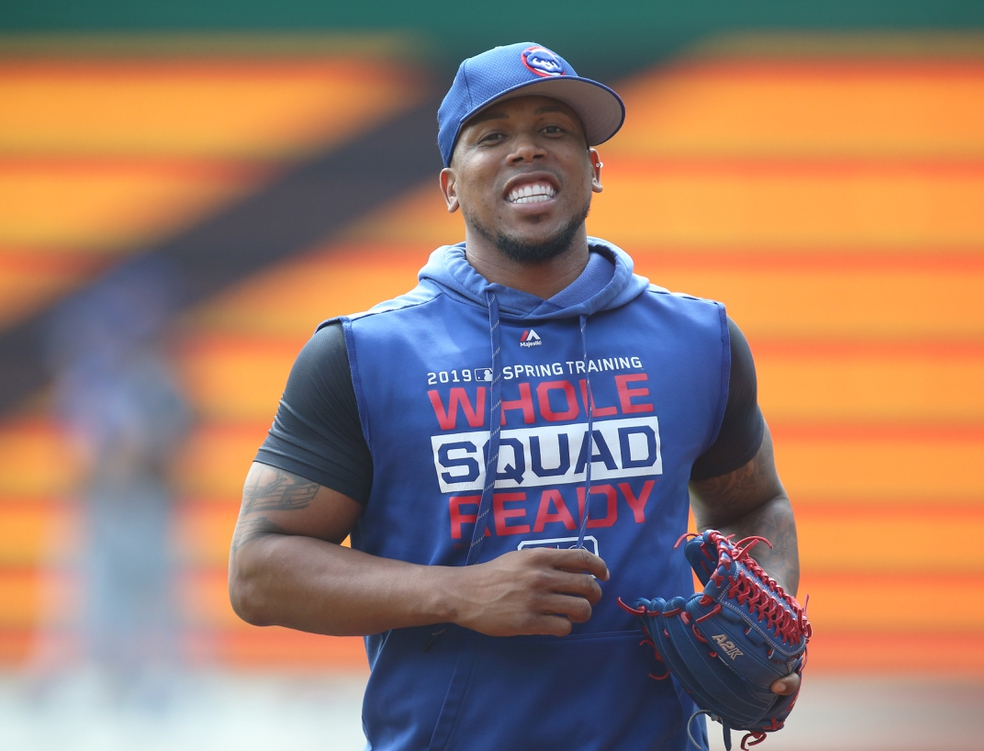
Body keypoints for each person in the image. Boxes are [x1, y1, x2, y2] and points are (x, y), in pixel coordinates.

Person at [229, 42, 801, 751]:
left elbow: (753, 503)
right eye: (493, 136)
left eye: (554, 130)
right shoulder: (361, 356)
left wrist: (767, 619)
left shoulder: (700, 340)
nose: (526, 150)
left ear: (593, 168)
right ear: (449, 185)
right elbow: (258, 572)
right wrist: (458, 593)